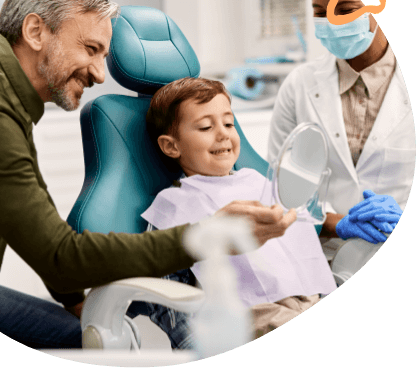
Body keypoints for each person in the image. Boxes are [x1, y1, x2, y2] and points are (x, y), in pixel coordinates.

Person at [0, 0, 296, 349]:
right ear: (36, 32)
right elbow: (59, 257)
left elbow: (35, 213)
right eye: (90, 50)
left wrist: (79, 305)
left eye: (104, 55)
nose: (100, 74)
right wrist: (207, 235)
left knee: (90, 339)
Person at [132, 76, 336, 345]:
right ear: (171, 146)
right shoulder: (173, 205)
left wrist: (338, 221)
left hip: (307, 296)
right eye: (205, 127)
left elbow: (300, 223)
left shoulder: (257, 181)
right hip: (250, 314)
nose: (224, 133)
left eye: (229, 123)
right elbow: (168, 294)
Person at [268, 0, 413, 260]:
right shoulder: (299, 86)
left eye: (345, 9)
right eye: (320, 13)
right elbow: (277, 192)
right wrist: (339, 225)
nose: (332, 21)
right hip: (321, 258)